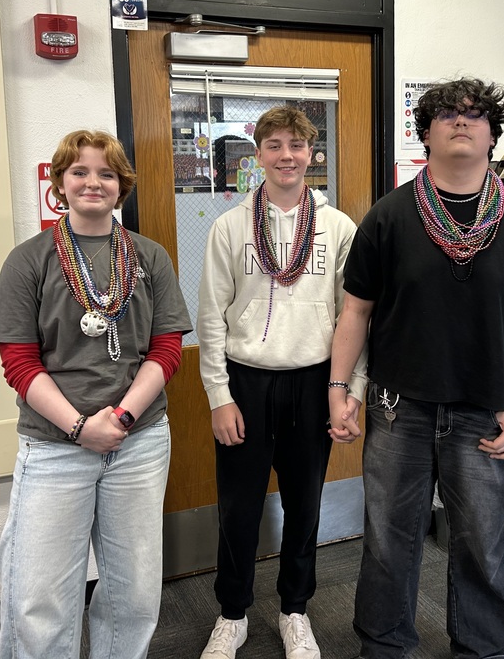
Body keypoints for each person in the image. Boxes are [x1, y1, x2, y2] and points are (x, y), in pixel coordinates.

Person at [329, 78, 504, 659]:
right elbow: (355, 310)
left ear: (492, 134)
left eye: (473, 115)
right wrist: (340, 389)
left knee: (482, 542)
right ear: (426, 133)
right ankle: (384, 644)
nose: (460, 122)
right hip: (398, 411)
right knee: (389, 540)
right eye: (446, 114)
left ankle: (481, 647)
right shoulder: (388, 217)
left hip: (485, 414)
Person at [0, 129, 192, 659]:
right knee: (41, 595)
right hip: (55, 446)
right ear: (59, 183)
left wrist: (119, 419)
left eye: (106, 173)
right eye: (79, 172)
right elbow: (19, 363)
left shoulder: (150, 257)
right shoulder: (28, 261)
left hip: (138, 443)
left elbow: (166, 350)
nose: (92, 182)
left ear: (122, 186)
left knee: (134, 591)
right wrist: (80, 428)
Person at [196, 106, 366, 659]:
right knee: (238, 507)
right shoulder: (229, 226)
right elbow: (211, 316)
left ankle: (295, 610)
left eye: (297, 145)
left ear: (312, 154)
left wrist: (351, 390)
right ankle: (232, 613)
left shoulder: (339, 227)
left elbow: (356, 316)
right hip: (247, 384)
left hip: (314, 381)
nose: (286, 155)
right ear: (258, 153)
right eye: (274, 144)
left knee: (305, 505)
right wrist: (220, 397)